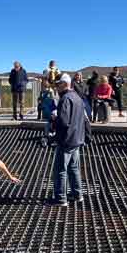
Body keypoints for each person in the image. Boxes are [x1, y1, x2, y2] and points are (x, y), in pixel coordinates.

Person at [51, 74, 88, 207]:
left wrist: (54, 121)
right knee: (74, 168)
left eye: (58, 84)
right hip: (77, 139)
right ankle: (77, 195)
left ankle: (61, 199)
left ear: (64, 84)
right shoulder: (77, 97)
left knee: (60, 169)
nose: (56, 87)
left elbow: (64, 121)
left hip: (66, 140)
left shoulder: (65, 99)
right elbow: (84, 119)